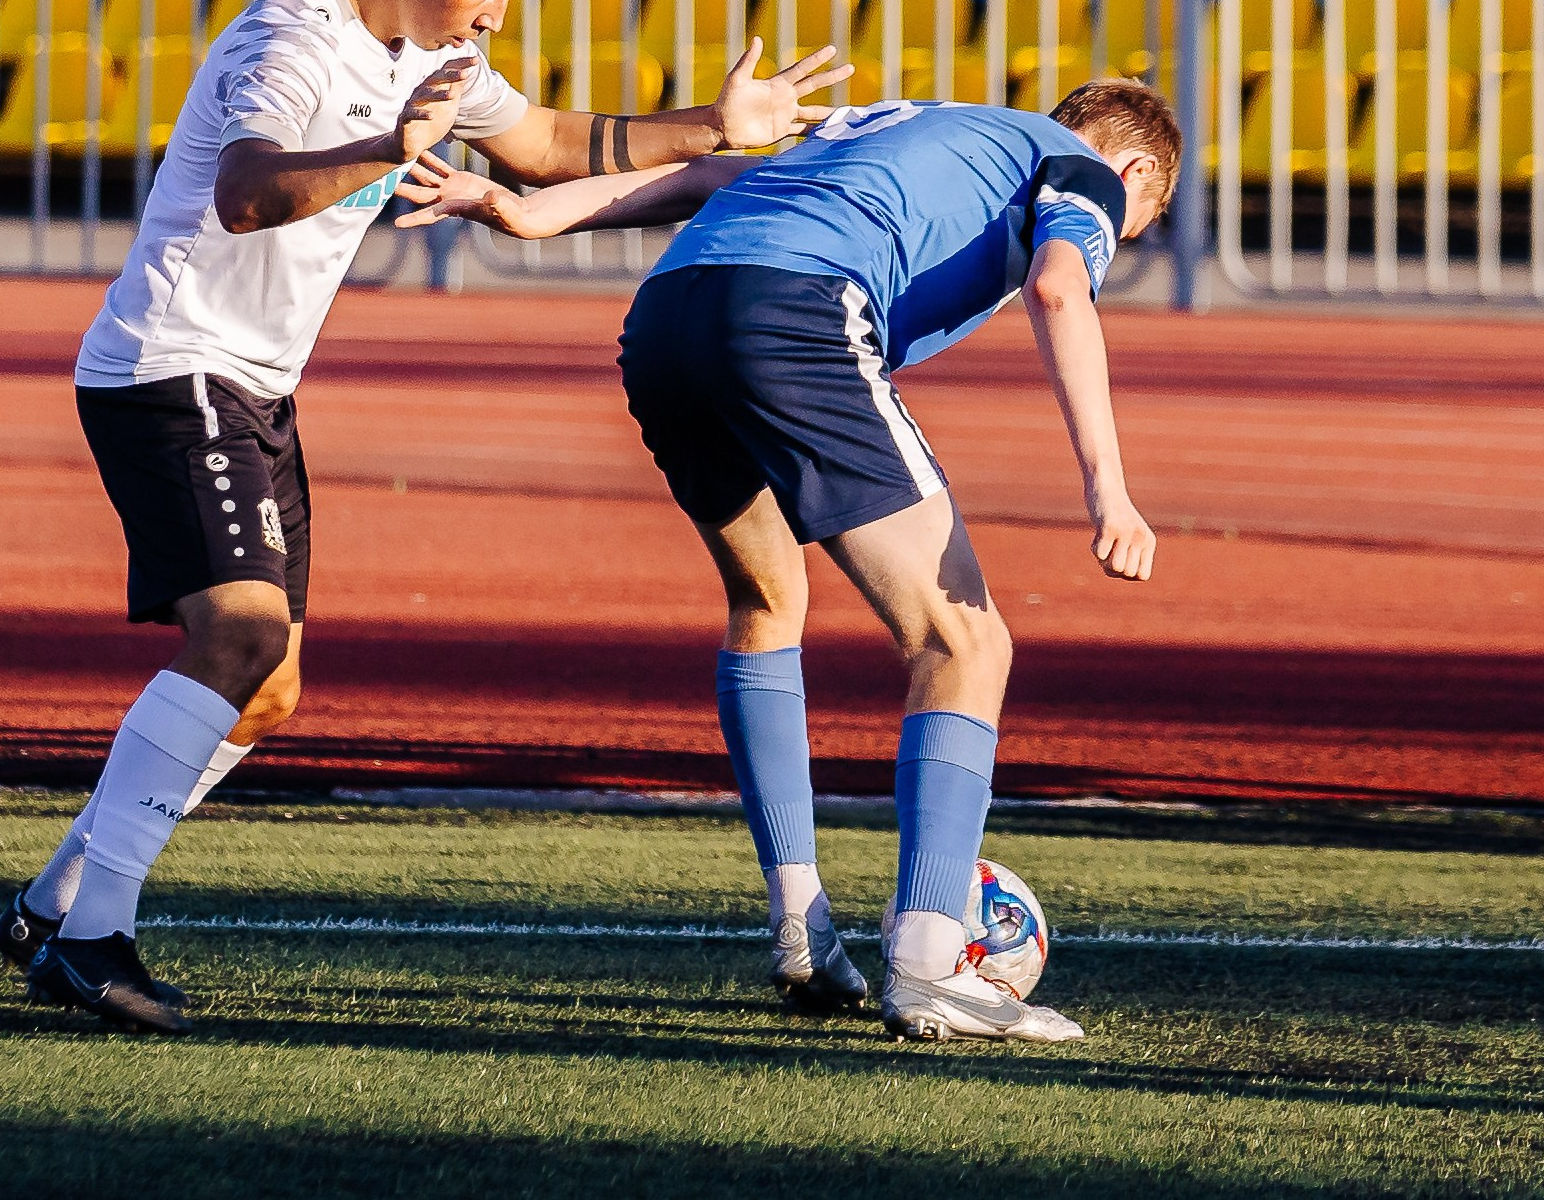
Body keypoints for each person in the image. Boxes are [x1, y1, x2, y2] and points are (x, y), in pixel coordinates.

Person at [0, 0, 853, 1035]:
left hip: (253, 387)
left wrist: (717, 124)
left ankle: (52, 905)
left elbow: (548, 143)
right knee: (239, 638)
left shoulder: (440, 52)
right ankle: (92, 943)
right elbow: (242, 195)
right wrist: (382, 148)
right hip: (171, 366)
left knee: (267, 690)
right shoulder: (286, 35)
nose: (495, 17)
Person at [396, 81, 1178, 1042]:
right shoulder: (1088, 169)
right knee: (964, 642)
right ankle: (931, 966)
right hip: (796, 313)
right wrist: (1108, 486)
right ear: (1136, 171)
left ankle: (802, 929)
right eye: (1133, 225)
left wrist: (530, 213)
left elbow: (712, 173)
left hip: (670, 316)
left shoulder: (909, 121)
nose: (1116, 236)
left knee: (768, 599)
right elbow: (1060, 284)